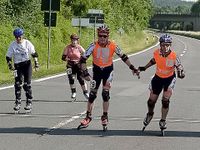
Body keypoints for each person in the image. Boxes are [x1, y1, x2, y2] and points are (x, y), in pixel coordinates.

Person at [78, 25, 139, 129]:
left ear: (108, 36)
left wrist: (132, 68)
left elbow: (123, 57)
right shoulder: (93, 45)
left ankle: (105, 116)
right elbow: (83, 60)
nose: (102, 38)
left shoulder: (113, 45)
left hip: (108, 71)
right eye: (100, 36)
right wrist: (85, 72)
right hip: (96, 72)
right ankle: (88, 117)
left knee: (105, 94)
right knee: (92, 95)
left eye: (104, 36)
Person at [138, 34, 185, 131]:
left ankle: (163, 120)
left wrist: (181, 73)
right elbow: (154, 60)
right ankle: (150, 114)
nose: (165, 47)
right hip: (158, 78)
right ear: (160, 45)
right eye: (163, 45)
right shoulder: (156, 53)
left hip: (169, 79)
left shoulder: (174, 56)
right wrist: (144, 68)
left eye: (167, 45)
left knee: (165, 101)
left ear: (170, 45)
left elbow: (179, 67)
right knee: (151, 101)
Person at [6, 28, 39, 112]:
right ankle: (18, 102)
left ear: (22, 36)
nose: (18, 39)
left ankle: (29, 101)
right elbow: (8, 56)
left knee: (26, 85)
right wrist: (10, 64)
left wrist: (36, 63)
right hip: (18, 66)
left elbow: (34, 54)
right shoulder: (12, 45)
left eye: (19, 37)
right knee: (17, 84)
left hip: (27, 65)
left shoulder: (27, 43)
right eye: (16, 37)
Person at [62, 33, 89, 101]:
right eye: (72, 40)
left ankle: (86, 92)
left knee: (80, 79)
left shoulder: (79, 47)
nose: (74, 41)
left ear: (77, 41)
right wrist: (66, 59)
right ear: (71, 40)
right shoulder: (67, 47)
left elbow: (86, 54)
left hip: (78, 64)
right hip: (70, 64)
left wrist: (82, 60)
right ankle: (73, 92)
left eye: (75, 40)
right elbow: (63, 57)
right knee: (71, 78)